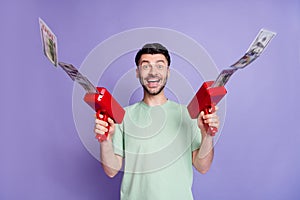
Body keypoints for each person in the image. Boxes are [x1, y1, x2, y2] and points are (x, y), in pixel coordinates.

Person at [94, 43, 220, 200]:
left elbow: (203, 167)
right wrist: (105, 140)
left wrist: (207, 134)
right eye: (145, 66)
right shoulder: (123, 117)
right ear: (137, 72)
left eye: (160, 66)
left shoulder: (188, 115)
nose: (153, 73)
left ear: (168, 72)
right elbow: (112, 170)